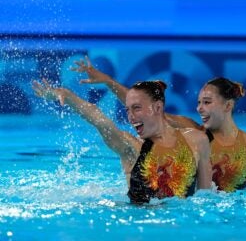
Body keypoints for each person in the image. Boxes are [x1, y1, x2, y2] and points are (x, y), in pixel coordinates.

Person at [71, 57, 246, 191]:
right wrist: (108, 81)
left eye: (207, 103)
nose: (199, 108)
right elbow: (147, 110)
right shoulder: (192, 132)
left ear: (228, 105)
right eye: (199, 102)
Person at [32, 79, 212, 204]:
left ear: (157, 107)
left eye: (136, 108)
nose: (131, 117)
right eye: (127, 110)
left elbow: (205, 198)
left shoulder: (197, 140)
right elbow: (100, 120)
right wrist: (68, 96)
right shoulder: (131, 147)